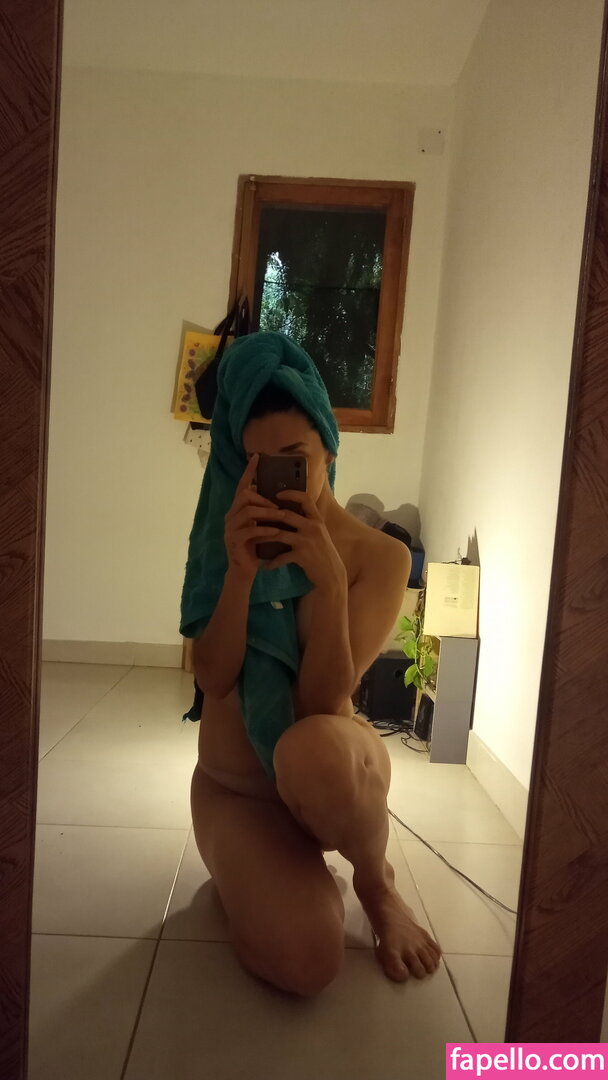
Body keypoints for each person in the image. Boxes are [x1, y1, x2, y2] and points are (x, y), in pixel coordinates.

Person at [185, 335, 442, 997]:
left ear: (329, 445)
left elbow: (322, 706)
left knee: (314, 750)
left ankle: (376, 885)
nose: (276, 480)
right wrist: (239, 576)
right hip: (237, 794)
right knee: (306, 962)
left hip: (328, 770)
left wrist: (329, 584)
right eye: (257, 463)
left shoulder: (379, 558)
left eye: (294, 461)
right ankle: (276, 873)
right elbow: (213, 679)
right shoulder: (223, 541)